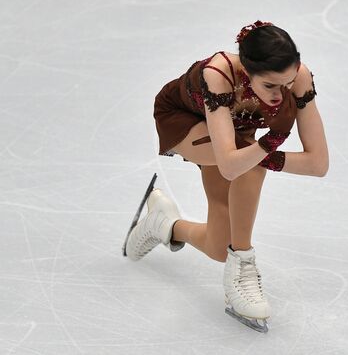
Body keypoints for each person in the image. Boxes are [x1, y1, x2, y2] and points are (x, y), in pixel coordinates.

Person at [122, 20, 329, 332]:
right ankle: (243, 264)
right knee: (250, 159)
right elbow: (232, 165)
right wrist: (269, 142)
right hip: (183, 120)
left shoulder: (297, 78)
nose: (280, 95)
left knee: (219, 246)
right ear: (247, 71)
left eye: (286, 84)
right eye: (270, 86)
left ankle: (164, 224)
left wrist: (266, 150)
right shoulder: (218, 74)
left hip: (234, 135)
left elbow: (318, 164)